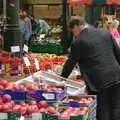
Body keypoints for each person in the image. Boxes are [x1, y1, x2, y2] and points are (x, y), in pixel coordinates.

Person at [61, 16, 120, 120]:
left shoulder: (78, 42)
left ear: (76, 26)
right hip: (116, 76)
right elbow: (118, 54)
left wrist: (61, 79)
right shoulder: (104, 32)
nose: (74, 35)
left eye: (73, 32)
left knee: (103, 110)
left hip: (98, 81)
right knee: (115, 107)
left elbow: (70, 63)